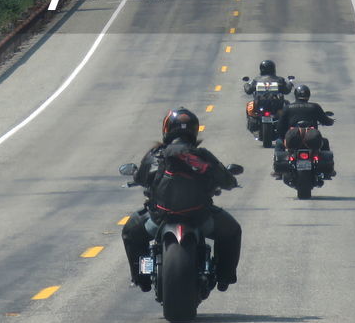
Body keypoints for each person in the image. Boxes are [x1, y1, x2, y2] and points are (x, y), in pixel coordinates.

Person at [121, 108, 242, 292]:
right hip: (200, 219)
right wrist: (231, 182)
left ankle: (141, 277)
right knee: (232, 231)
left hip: (159, 219)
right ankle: (224, 277)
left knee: (130, 232)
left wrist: (138, 178)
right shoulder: (201, 156)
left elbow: (140, 177)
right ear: (194, 131)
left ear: (166, 130)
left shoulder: (156, 155)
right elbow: (225, 179)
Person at [273, 84, 336, 177]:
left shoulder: (288, 107)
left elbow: (280, 126)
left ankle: (278, 172)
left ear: (295, 95)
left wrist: (283, 136)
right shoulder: (315, 107)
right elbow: (325, 120)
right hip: (311, 139)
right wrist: (330, 121)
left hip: (293, 139)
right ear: (308, 95)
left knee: (279, 142)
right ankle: (328, 172)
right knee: (325, 142)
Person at [242, 59, 292, 133]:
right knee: (287, 105)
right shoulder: (279, 80)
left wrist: (246, 84)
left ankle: (252, 124)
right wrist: (290, 84)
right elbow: (286, 91)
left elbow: (249, 91)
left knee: (249, 105)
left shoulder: (257, 80)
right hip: (276, 106)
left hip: (260, 106)